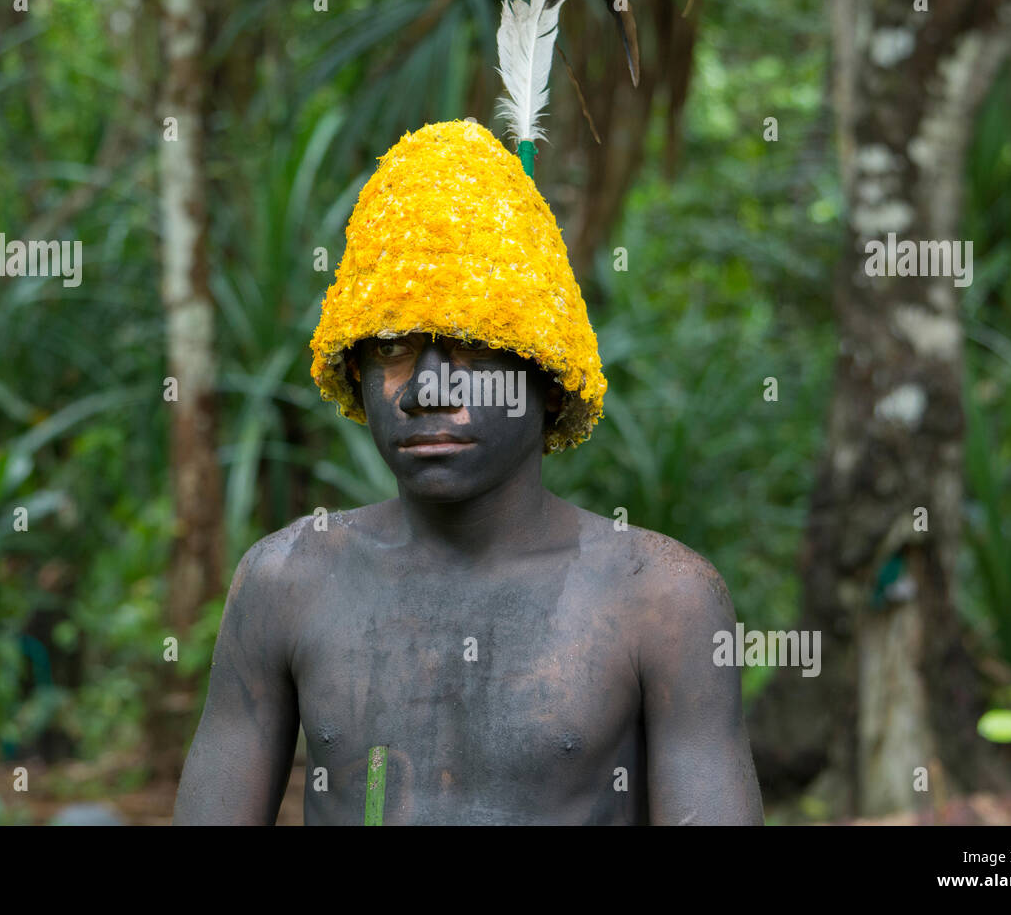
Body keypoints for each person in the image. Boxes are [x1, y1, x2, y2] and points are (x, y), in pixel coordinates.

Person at [173, 120, 764, 824]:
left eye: (473, 348)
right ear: (353, 371)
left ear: (547, 380)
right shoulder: (286, 582)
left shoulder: (661, 602)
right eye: (393, 347)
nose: (427, 388)